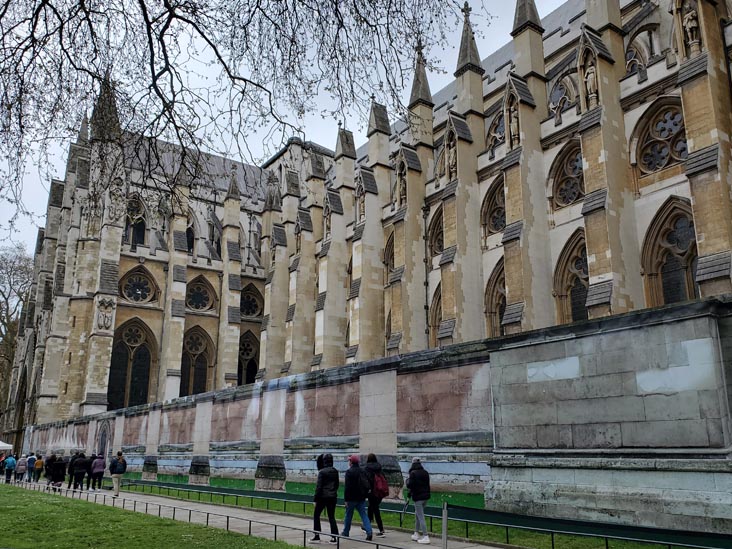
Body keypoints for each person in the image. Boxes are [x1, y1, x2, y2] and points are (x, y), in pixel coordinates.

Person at [341, 454, 372, 541]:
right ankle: (369, 532)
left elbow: (347, 487)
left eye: (349, 461)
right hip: (361, 497)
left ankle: (346, 532)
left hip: (351, 498)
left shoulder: (349, 472)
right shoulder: (362, 471)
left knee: (348, 515)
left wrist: (346, 499)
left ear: (351, 462)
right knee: (364, 515)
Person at [310, 453, 339, 544]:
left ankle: (317, 535)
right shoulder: (335, 471)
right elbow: (337, 484)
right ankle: (334, 537)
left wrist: (315, 499)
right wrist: (333, 491)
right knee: (331, 517)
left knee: (316, 515)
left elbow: (319, 487)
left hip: (323, 497)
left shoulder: (322, 472)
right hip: (332, 496)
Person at [407, 457, 431, 544]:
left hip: (418, 497)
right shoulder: (425, 472)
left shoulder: (413, 473)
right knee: (417, 515)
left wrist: (407, 481)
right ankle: (416, 533)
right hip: (426, 497)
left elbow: (410, 485)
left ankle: (426, 536)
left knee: (420, 517)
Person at [364, 453, 386, 537]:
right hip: (379, 491)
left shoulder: (367, 468)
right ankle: (367, 525)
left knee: (375, 510)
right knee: (371, 507)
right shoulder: (379, 467)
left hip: (372, 492)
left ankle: (381, 529)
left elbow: (367, 480)